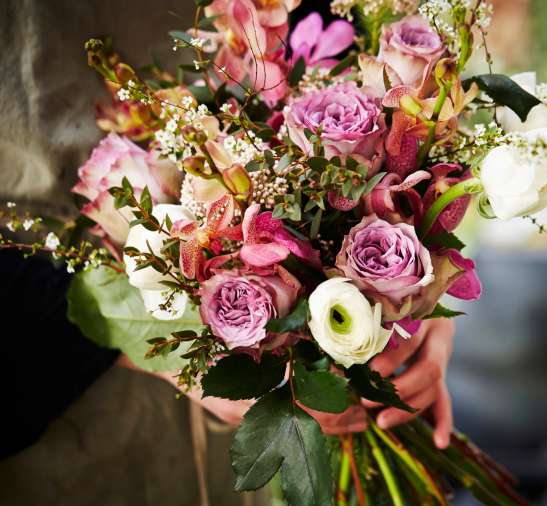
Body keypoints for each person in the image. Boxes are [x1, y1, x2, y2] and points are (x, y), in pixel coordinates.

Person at [0, 1, 453, 504]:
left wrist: (419, 281)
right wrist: (163, 344)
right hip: (89, 423)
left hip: (293, 232)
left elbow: (339, 39)